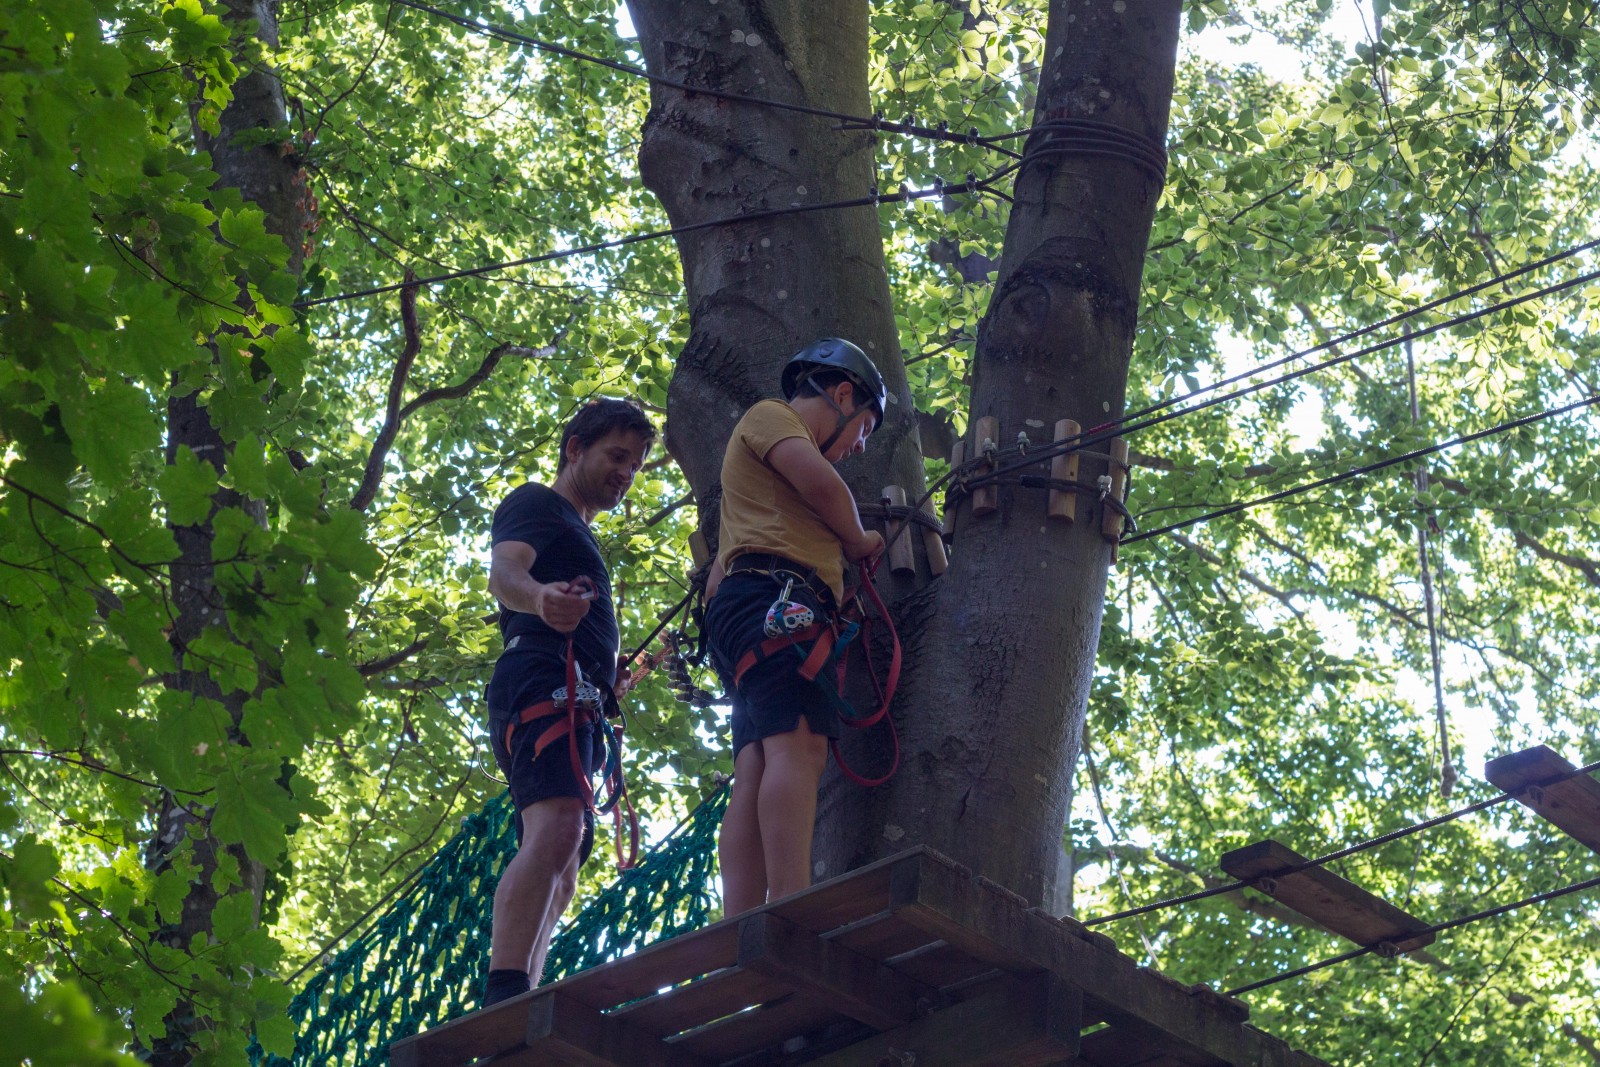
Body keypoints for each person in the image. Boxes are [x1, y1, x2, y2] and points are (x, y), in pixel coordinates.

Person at [704, 338, 889, 917]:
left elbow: (714, 586)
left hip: (744, 611)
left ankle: (741, 918)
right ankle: (788, 905)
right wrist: (859, 541)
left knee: (756, 761)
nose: (857, 448)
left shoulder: (749, 504)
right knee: (801, 745)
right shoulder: (772, 418)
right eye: (862, 430)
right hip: (779, 599)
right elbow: (823, 484)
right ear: (841, 395)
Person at [481, 398, 655, 1007]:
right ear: (574, 448)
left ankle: (523, 986)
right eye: (616, 456)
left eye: (635, 465)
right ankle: (505, 992)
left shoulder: (575, 530)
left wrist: (611, 678)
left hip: (571, 687)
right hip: (539, 675)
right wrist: (538, 599)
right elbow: (504, 571)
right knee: (557, 825)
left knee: (568, 846)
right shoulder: (538, 504)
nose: (626, 474)